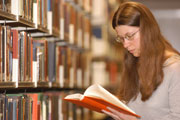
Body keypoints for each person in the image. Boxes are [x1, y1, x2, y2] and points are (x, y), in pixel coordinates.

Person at [102, 1, 180, 120]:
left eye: (130, 36)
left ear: (147, 29)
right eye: (121, 38)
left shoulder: (175, 68)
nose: (125, 45)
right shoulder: (134, 63)